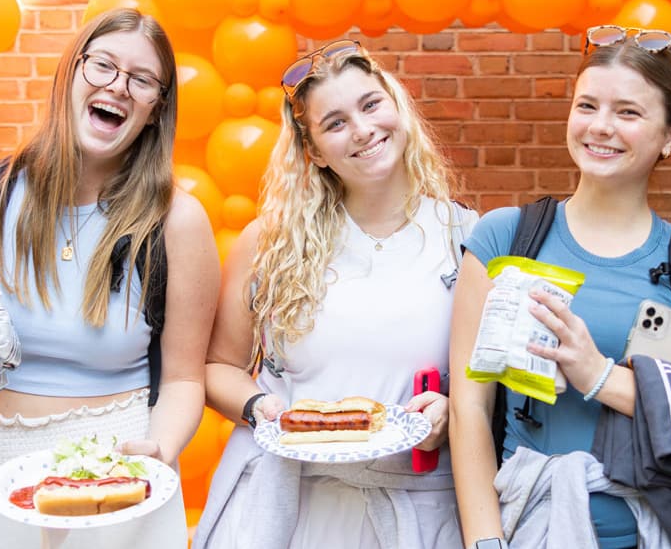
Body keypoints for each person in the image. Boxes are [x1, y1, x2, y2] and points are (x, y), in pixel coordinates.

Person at [0, 8, 218, 548]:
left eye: (141, 80)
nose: (117, 86)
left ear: (154, 108)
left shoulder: (177, 221)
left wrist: (159, 448)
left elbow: (186, 378)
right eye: (102, 66)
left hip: (118, 481)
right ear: (71, 73)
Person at [450, 26, 671, 549]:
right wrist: (486, 543)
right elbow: (469, 411)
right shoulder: (504, 236)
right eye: (587, 106)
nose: (601, 127)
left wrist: (601, 378)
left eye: (628, 112)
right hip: (535, 531)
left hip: (669, 532)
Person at [195, 41, 473, 548]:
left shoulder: (466, 237)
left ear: (397, 109)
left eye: (371, 105)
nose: (364, 130)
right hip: (288, 512)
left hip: (419, 512)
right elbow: (218, 367)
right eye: (335, 123)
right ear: (314, 153)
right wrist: (261, 408)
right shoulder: (269, 242)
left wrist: (449, 411)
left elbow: (489, 382)